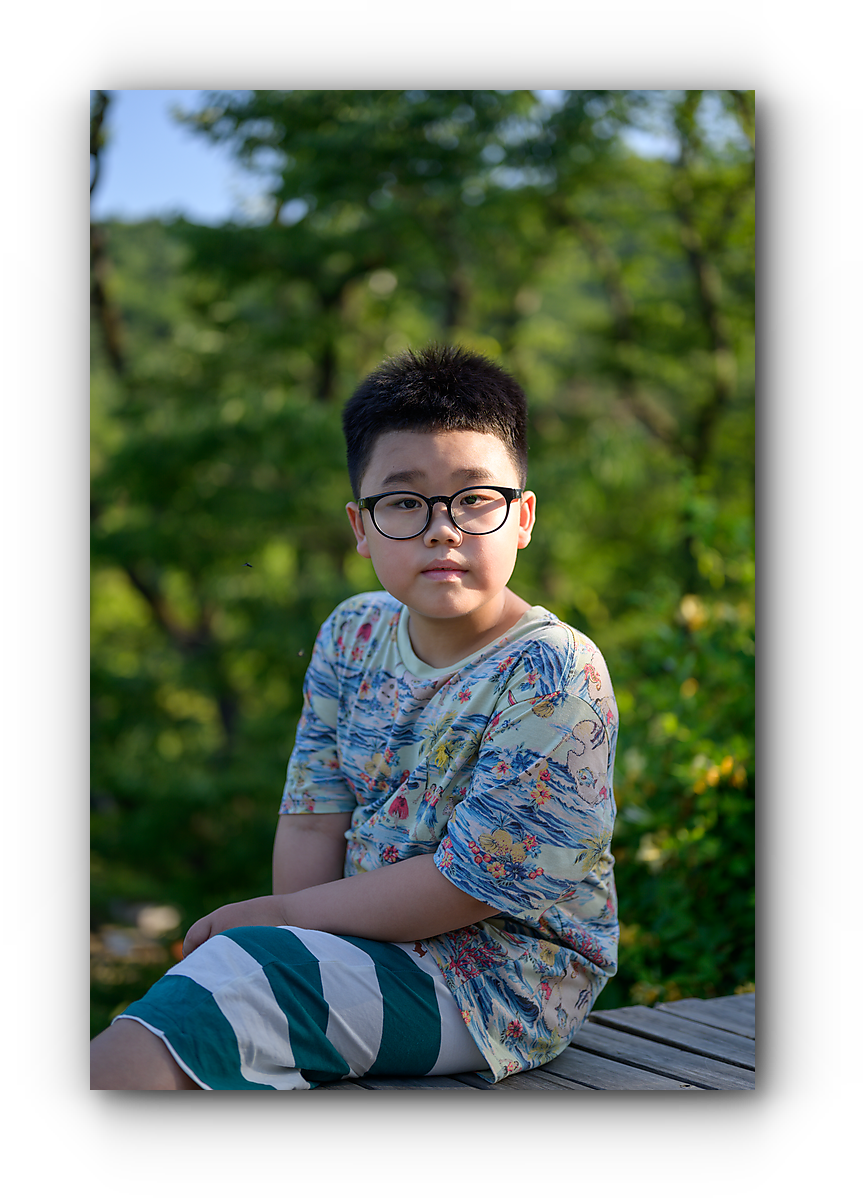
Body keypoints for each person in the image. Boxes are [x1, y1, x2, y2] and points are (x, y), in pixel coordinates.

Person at [90, 343, 619, 1090]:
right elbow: (314, 818)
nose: (442, 528)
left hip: (501, 987)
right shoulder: (353, 634)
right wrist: (289, 925)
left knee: (237, 982)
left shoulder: (552, 672)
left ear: (523, 516)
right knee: (233, 978)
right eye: (404, 502)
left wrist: (286, 916)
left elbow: (471, 883)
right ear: (361, 527)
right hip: (363, 947)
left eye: (474, 498)